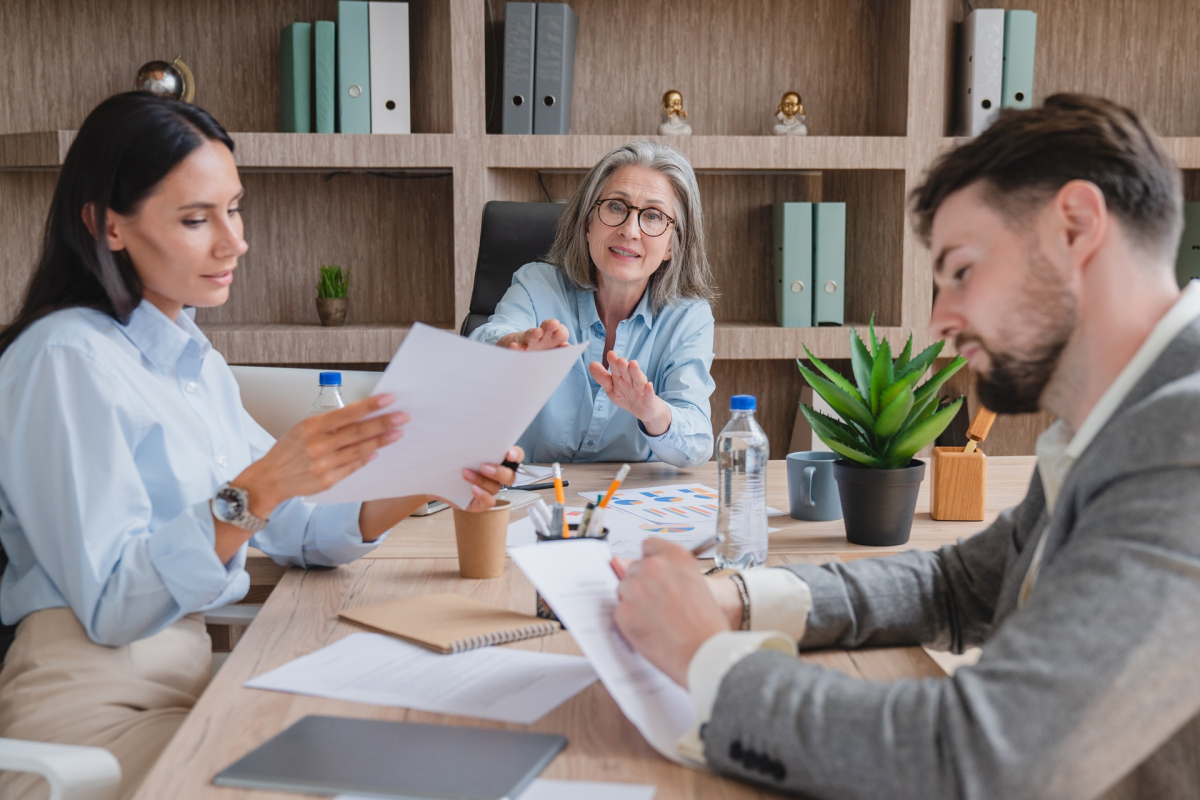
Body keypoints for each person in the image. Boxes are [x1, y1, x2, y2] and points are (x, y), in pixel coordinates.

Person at [611, 94, 1200, 799]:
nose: (940, 320)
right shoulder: (1118, 420)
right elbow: (958, 587)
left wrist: (704, 657)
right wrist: (737, 599)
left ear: (1075, 227)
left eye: (961, 271)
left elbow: (978, 756)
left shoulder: (1184, 440)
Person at [0, 93, 520, 800]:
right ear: (106, 224)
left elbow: (302, 531)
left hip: (187, 689)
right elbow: (114, 604)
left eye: (234, 209)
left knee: (426, 744)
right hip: (92, 718)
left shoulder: (193, 362)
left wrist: (431, 474)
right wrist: (260, 488)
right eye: (196, 219)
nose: (233, 242)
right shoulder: (66, 360)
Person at [470, 141, 717, 468]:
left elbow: (697, 445)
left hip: (625, 494)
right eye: (616, 207)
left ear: (673, 244)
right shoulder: (537, 284)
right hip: (531, 489)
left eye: (653, 216)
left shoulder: (688, 316)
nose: (629, 230)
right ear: (588, 224)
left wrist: (651, 411)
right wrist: (513, 346)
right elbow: (479, 350)